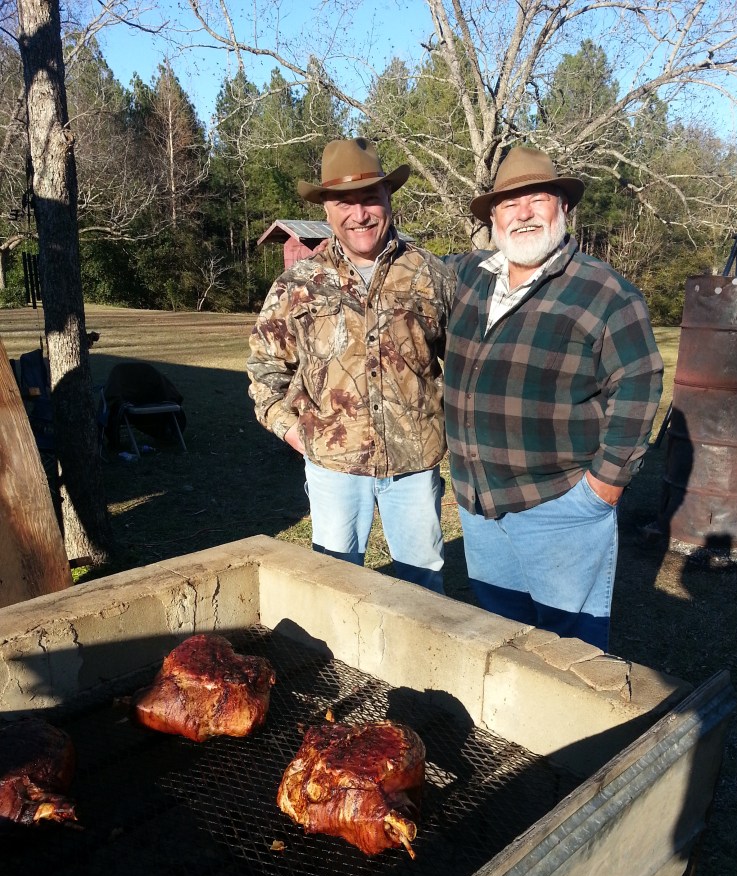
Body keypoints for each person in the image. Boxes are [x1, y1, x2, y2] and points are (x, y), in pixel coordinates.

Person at [444, 146, 664, 650]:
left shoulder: (604, 291)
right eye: (508, 204)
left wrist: (605, 485)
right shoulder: (468, 278)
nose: (522, 213)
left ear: (562, 208)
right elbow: (401, 270)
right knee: (503, 643)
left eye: (537, 198)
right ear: (493, 218)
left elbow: (639, 380)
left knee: (571, 655)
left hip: (560, 506)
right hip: (479, 504)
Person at [247, 138, 455, 592]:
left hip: (414, 466)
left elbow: (464, 364)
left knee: (425, 591)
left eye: (369, 198)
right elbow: (265, 369)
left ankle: (417, 666)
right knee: (336, 590)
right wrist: (291, 429)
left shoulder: (431, 274)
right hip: (333, 468)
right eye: (344, 201)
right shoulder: (299, 284)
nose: (358, 214)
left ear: (388, 200)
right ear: (326, 210)